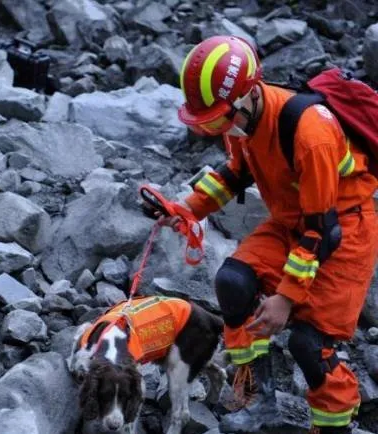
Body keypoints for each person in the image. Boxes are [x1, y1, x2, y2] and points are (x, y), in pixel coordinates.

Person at [162, 35, 378, 433]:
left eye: (218, 119)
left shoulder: (311, 134)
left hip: (343, 230)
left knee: (310, 345)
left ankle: (333, 424)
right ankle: (257, 392)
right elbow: (236, 173)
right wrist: (186, 210)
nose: (217, 128)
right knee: (232, 282)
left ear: (251, 94)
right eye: (208, 122)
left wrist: (285, 297)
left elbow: (321, 232)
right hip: (290, 220)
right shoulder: (241, 120)